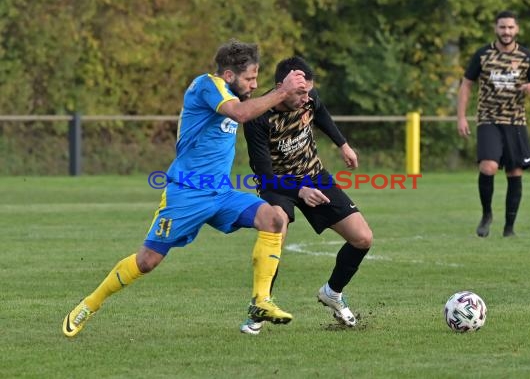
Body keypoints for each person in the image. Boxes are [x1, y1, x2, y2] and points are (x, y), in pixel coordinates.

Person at [62, 40, 307, 337]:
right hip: (186, 193)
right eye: (250, 78)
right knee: (147, 261)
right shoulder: (207, 85)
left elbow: (253, 108)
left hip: (221, 193)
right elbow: (241, 114)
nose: (255, 85)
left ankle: (261, 301)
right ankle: (90, 303)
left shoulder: (234, 93)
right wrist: (281, 91)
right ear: (229, 75)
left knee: (275, 218)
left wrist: (292, 93)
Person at [240, 56, 373, 335]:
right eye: (299, 93)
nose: (305, 98)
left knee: (362, 238)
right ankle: (260, 308)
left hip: (314, 176)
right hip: (278, 184)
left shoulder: (308, 95)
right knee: (275, 231)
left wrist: (343, 145)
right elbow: (263, 175)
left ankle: (332, 293)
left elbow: (321, 113)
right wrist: (299, 190)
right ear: (281, 87)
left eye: (308, 91)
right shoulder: (258, 118)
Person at [457, 10, 530, 238]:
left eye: (510, 27)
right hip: (489, 119)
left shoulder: (526, 56)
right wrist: (461, 116)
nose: (506, 32)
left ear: (517, 29)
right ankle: (487, 215)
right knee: (488, 166)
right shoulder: (483, 54)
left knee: (515, 172)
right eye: (502, 27)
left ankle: (509, 228)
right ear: (496, 29)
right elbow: (466, 85)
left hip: (516, 121)